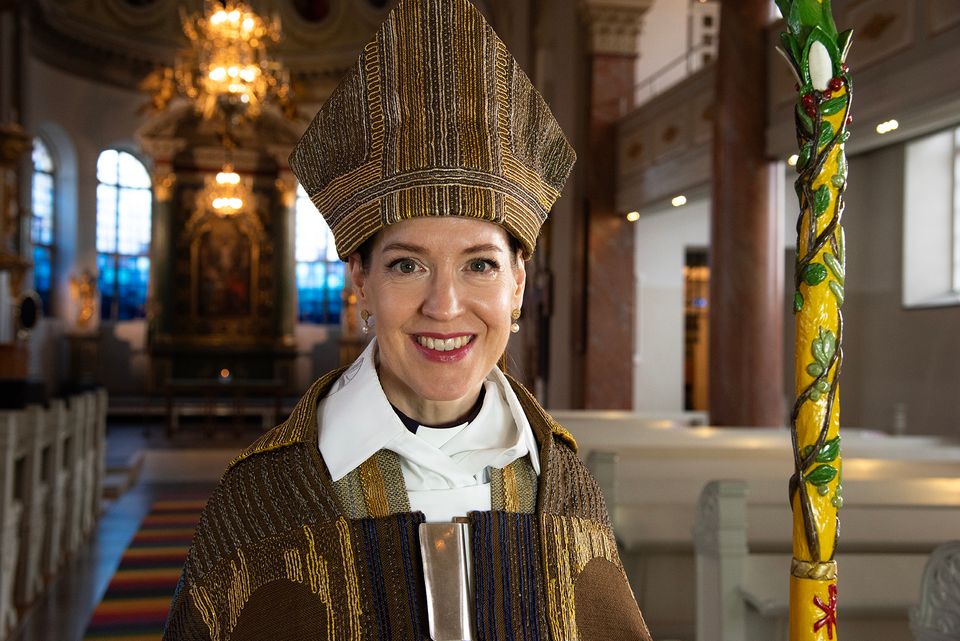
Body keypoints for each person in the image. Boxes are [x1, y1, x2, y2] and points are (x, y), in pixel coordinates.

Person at [162, 0, 652, 639]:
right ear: (361, 281)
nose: (445, 307)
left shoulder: (560, 484)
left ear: (518, 286)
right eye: (407, 266)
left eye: (479, 265)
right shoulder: (267, 497)